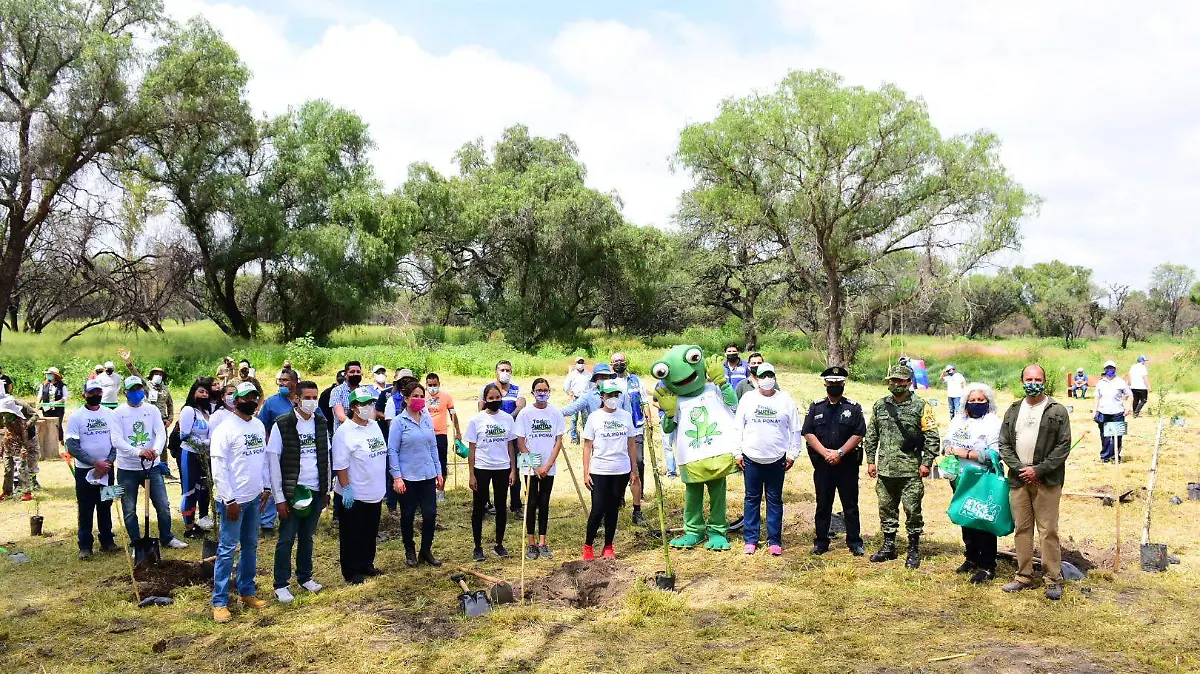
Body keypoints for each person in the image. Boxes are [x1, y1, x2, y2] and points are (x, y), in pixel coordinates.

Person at [998, 364, 1072, 601]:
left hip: (1047, 480)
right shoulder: (1012, 410)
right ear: (1022, 381)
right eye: (1028, 379)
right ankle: (1023, 576)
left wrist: (1039, 470)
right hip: (1018, 480)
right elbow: (1004, 444)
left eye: (1037, 378)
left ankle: (1052, 579)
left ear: (1045, 380)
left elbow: (1063, 447)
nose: (1033, 383)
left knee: (1048, 530)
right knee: (1022, 529)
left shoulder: (1057, 411)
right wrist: (1021, 469)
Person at [864, 364, 939, 569]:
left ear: (908, 382)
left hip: (910, 471)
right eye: (893, 380)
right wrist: (871, 460)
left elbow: (932, 437)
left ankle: (913, 549)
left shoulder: (921, 406)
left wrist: (926, 463)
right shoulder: (880, 405)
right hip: (886, 470)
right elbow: (872, 435)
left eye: (900, 381)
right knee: (886, 509)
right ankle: (889, 546)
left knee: (912, 510)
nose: (896, 384)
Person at [209, 382, 270, 623]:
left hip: (254, 498)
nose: (251, 402)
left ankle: (247, 591)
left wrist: (265, 487)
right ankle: (220, 602)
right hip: (233, 501)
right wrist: (229, 499)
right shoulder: (225, 429)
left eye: (254, 397)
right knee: (226, 550)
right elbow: (219, 468)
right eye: (246, 398)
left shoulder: (258, 424)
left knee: (250, 546)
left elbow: (262, 459)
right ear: (235, 401)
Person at [267, 380, 330, 603]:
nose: (311, 402)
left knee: (307, 537)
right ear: (296, 399)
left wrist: (326, 490)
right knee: (286, 538)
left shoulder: (321, 423)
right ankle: (281, 584)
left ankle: (305, 576)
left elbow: (326, 457)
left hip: (315, 489)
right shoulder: (282, 424)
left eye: (315, 398)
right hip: (293, 492)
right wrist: (280, 497)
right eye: (307, 398)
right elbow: (274, 462)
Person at [734, 362, 801, 556]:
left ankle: (774, 540)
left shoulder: (785, 400)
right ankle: (751, 539)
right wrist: (737, 452)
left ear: (775, 377)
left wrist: (792, 453)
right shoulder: (748, 399)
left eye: (770, 375)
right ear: (756, 378)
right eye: (762, 376)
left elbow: (795, 429)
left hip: (777, 460)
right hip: (752, 458)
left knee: (774, 500)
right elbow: (738, 426)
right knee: (751, 499)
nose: (767, 379)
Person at [114, 376, 187, 550]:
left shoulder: (152, 410)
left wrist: (155, 450)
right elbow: (116, 439)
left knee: (163, 505)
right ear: (125, 392)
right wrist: (138, 452)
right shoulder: (117, 413)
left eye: (139, 388)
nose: (136, 392)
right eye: (132, 390)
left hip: (152, 467)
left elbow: (160, 433)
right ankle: (136, 543)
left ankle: (167, 537)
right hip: (127, 468)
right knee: (129, 508)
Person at [802, 366, 867, 557]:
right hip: (823, 465)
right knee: (823, 505)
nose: (835, 386)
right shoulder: (816, 406)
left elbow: (859, 433)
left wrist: (839, 453)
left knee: (850, 505)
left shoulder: (853, 407)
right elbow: (808, 432)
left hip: (847, 464)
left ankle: (854, 542)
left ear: (844, 384)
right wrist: (825, 454)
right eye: (831, 383)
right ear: (825, 384)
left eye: (838, 383)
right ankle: (821, 542)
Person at [942, 383, 1003, 584]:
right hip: (960, 478)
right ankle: (971, 557)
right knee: (965, 517)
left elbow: (995, 453)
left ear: (988, 402)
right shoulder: (958, 420)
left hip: (982, 478)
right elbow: (947, 441)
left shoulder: (993, 422)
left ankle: (987, 565)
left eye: (981, 400)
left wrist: (966, 453)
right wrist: (949, 448)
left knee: (983, 520)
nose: (976, 403)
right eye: (973, 400)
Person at [333, 386, 388, 584]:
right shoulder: (345, 432)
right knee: (352, 534)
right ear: (354, 407)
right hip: (355, 493)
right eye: (364, 404)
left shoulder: (373, 426)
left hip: (375, 490)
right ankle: (351, 570)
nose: (368, 407)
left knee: (370, 531)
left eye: (370, 403)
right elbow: (340, 464)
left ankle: (367, 563)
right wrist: (346, 488)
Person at [388, 381, 444, 568]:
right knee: (408, 515)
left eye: (422, 396)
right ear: (406, 398)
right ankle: (409, 549)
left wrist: (438, 471)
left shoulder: (426, 418)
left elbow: (433, 446)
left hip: (427, 475)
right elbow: (392, 451)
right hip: (408, 478)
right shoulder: (399, 422)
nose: (419, 399)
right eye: (415, 396)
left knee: (430, 514)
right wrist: (397, 477)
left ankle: (426, 550)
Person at [581, 380, 639, 560]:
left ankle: (608, 546)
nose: (613, 398)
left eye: (616, 395)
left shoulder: (625, 416)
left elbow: (631, 443)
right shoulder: (594, 417)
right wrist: (585, 471)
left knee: (613, 508)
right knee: (598, 508)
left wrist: (634, 469)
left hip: (620, 469)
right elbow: (587, 446)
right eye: (609, 395)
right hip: (599, 469)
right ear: (602, 397)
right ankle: (588, 545)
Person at [64, 380, 122, 559]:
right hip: (85, 471)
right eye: (91, 393)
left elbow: (116, 440)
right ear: (84, 395)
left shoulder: (110, 414)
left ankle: (107, 540)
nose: (95, 395)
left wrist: (108, 462)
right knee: (86, 507)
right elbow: (72, 446)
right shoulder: (76, 417)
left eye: (98, 392)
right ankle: (85, 546)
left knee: (106, 504)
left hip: (107, 470)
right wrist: (94, 463)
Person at [466, 383, 518, 562]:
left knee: (502, 506)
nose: (495, 401)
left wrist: (513, 470)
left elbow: (511, 445)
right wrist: (472, 474)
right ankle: (478, 547)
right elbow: (471, 450)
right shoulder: (476, 420)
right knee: (479, 508)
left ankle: (499, 543)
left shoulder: (507, 419)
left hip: (502, 468)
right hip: (482, 468)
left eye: (497, 398)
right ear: (485, 400)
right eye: (491, 398)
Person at [516, 378, 565, 560]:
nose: (542, 393)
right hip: (529, 468)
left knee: (544, 503)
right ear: (533, 392)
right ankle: (531, 542)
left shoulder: (555, 413)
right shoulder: (525, 414)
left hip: (548, 467)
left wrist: (548, 465)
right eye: (538, 390)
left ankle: (543, 542)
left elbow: (558, 441)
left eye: (545, 389)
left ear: (549, 391)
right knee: (531, 503)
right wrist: (535, 466)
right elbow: (521, 441)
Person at [478, 360, 526, 515]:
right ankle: (486, 503)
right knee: (489, 468)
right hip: (493, 436)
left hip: (512, 436)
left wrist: (508, 420)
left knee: (515, 469)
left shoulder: (517, 389)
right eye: (502, 370)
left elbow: (521, 405)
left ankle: (516, 505)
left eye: (508, 370)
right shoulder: (486, 389)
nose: (505, 373)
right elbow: (481, 409)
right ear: (496, 372)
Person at [258, 368, 300, 537]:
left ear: (295, 383)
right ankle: (267, 523)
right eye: (280, 381)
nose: (281, 384)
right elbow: (262, 425)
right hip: (275, 451)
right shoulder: (272, 403)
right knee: (272, 482)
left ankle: (296, 514)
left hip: (297, 452)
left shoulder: (302, 400)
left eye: (285, 380)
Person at [610, 351, 649, 526]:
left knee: (638, 462)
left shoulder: (636, 380)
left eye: (621, 360)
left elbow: (644, 400)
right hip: (617, 430)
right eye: (615, 361)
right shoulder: (610, 383)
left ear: (626, 362)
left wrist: (649, 419)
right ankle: (619, 497)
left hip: (636, 426)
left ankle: (637, 500)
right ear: (611, 364)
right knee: (620, 465)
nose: (619, 363)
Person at [179, 380, 216, 538]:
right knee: (189, 491)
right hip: (190, 455)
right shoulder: (188, 410)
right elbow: (184, 435)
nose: (204, 394)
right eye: (201, 391)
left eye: (206, 392)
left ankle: (199, 522)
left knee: (202, 489)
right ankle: (188, 527)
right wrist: (204, 444)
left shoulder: (206, 413)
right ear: (193, 392)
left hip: (204, 456)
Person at [425, 372, 461, 501]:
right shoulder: (421, 396)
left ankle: (440, 489)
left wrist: (458, 432)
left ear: (439, 384)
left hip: (441, 434)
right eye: (430, 385)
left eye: (435, 385)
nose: (433, 387)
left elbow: (453, 414)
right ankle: (428, 489)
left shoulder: (446, 397)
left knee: (441, 462)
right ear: (426, 385)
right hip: (425, 434)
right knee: (426, 461)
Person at [1094, 360, 1131, 463]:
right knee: (1104, 436)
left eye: (1112, 368)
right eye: (1108, 368)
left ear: (1115, 369)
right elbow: (1097, 398)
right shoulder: (1100, 383)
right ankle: (1105, 456)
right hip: (1103, 412)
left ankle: (1115, 457)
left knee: (1117, 436)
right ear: (1105, 370)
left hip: (1118, 413)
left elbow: (1130, 395)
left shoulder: (1120, 382)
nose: (1110, 370)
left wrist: (1128, 408)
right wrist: (1095, 411)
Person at [0, 397, 35, 502]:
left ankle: (26, 492)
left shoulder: (20, 421)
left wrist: (24, 449)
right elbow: (5, 431)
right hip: (7, 446)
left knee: (22, 469)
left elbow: (25, 437)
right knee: (8, 470)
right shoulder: (4, 418)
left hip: (19, 447)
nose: (4, 414)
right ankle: (7, 491)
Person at [38, 366, 68, 462]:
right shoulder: (43, 385)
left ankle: (61, 442)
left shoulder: (62, 386)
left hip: (58, 409)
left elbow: (65, 398)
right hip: (46, 409)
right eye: (48, 374)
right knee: (47, 425)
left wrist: (56, 403)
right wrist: (38, 404)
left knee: (57, 426)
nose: (48, 376)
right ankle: (49, 445)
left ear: (55, 375)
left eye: (50, 374)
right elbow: (40, 396)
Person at [563, 357, 590, 443]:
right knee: (574, 418)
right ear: (576, 363)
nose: (580, 363)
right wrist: (570, 394)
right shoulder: (571, 375)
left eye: (582, 362)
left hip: (585, 398)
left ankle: (587, 436)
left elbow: (592, 386)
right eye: (579, 362)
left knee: (586, 418)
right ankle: (574, 437)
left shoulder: (588, 375)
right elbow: (566, 387)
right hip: (575, 398)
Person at [331, 361, 363, 433]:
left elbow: (372, 413)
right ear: (346, 374)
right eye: (352, 372)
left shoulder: (365, 391)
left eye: (358, 372)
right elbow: (340, 415)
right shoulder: (337, 391)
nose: (355, 374)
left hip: (363, 433)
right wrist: (357, 426)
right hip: (344, 433)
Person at [318, 370, 344, 440]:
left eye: (344, 381)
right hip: (330, 425)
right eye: (340, 381)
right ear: (336, 381)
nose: (342, 384)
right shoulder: (327, 393)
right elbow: (321, 410)